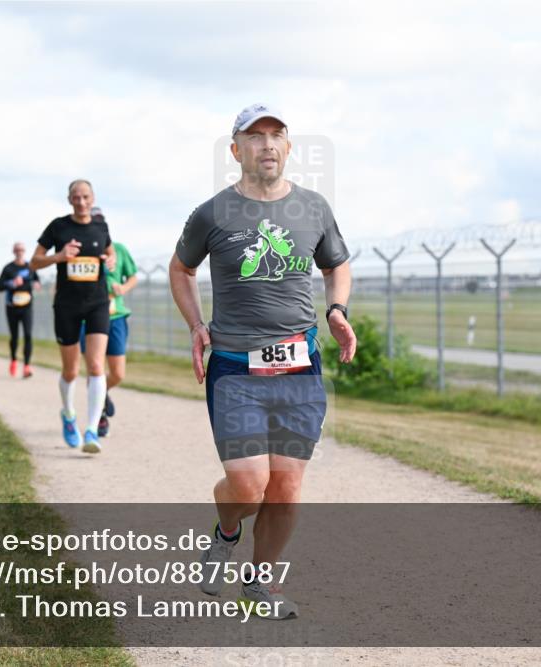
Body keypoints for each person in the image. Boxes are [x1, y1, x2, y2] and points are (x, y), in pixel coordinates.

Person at [169, 104, 357, 619]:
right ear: (236, 151)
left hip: (300, 366)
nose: (267, 144)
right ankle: (226, 531)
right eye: (255, 137)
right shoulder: (212, 213)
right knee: (250, 486)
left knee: (287, 488)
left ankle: (259, 584)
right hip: (236, 370)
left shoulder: (314, 207)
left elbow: (336, 264)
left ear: (289, 147)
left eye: (276, 135)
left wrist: (337, 310)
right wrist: (195, 324)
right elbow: (181, 268)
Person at [30, 179, 115, 453]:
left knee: (96, 365)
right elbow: (34, 261)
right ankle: (68, 415)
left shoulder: (101, 226)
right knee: (70, 370)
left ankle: (91, 431)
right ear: (70, 200)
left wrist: (111, 260)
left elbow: (109, 251)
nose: (81, 202)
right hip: (67, 304)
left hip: (97, 302)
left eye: (86, 197)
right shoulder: (58, 226)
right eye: (76, 197)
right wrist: (60, 257)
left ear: (93, 198)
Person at [78, 230, 138, 437]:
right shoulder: (81, 253)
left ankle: (102, 395)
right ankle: (99, 416)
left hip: (115, 317)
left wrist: (122, 288)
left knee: (118, 373)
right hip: (87, 317)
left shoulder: (119, 250)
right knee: (95, 369)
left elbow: (133, 277)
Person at [0, 242, 41, 378]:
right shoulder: (8, 268)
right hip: (12, 307)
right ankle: (14, 360)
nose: (19, 252)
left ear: (24, 251)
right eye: (17, 250)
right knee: (14, 337)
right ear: (13, 251)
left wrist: (36, 284)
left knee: (28, 335)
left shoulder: (30, 267)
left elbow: (37, 281)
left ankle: (27, 366)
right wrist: (11, 283)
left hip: (27, 306)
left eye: (21, 249)